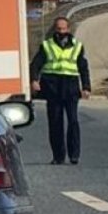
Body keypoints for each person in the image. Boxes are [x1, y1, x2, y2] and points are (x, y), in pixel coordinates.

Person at [30, 17, 92, 164]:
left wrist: (86, 87)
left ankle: (74, 155)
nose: (61, 32)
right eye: (58, 29)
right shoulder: (47, 45)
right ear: (55, 29)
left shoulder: (77, 46)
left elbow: (83, 68)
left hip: (70, 86)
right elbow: (36, 64)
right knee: (55, 122)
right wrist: (34, 80)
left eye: (64, 29)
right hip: (52, 86)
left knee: (73, 121)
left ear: (68, 29)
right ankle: (58, 156)